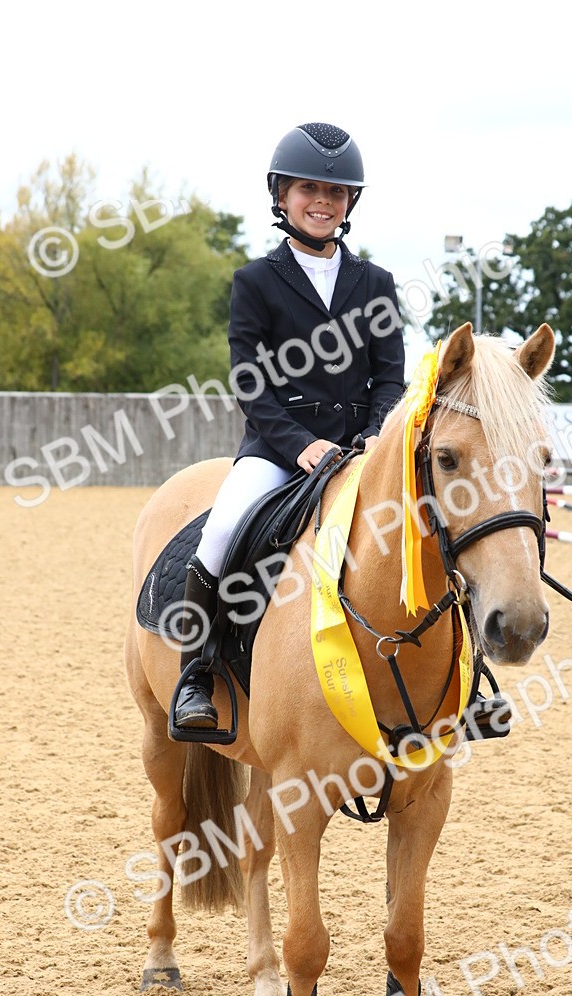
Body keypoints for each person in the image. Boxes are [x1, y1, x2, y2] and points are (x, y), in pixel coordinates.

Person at [174, 122, 406, 729]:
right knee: (222, 529)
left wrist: (377, 437)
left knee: (435, 525)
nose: (323, 201)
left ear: (350, 202)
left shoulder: (376, 285)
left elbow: (389, 379)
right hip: (280, 450)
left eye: (336, 191)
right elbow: (251, 382)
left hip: (364, 451)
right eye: (309, 188)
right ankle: (196, 674)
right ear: (281, 195)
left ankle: (469, 675)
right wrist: (302, 447)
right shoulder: (255, 282)